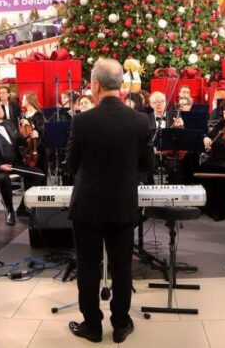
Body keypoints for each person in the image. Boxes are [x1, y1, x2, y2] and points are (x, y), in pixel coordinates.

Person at [66, 59, 152, 343]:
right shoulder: (140, 120)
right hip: (123, 206)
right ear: (121, 85)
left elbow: (70, 164)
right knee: (122, 267)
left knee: (88, 268)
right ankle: (121, 324)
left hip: (87, 207)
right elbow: (147, 164)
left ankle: (92, 326)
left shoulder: (81, 121)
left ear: (96, 85)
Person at [0, 101, 44, 224]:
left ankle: (23, 207)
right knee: (4, 179)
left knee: (38, 174)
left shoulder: (10, 124)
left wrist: (31, 137)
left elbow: (20, 142)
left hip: (15, 164)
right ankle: (10, 210)